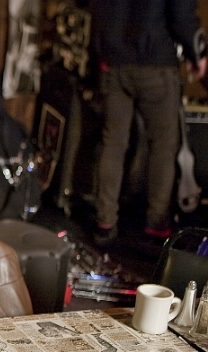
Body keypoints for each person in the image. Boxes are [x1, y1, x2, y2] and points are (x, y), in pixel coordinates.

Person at [88, 0, 207, 248]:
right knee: (162, 147)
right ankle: (156, 226)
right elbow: (182, 13)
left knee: (113, 144)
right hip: (155, 63)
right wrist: (197, 53)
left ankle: (105, 223)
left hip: (112, 62)